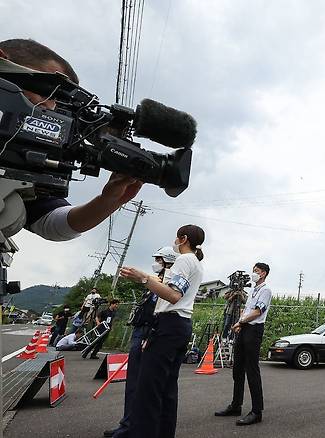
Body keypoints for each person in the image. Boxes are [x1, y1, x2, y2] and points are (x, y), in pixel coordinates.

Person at [0, 38, 142, 242]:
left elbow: (52, 223)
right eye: (47, 91)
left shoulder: (20, 154)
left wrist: (108, 201)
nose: (50, 107)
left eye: (58, 101)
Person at [118, 224, 205, 438]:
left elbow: (173, 295)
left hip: (169, 324)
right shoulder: (195, 262)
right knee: (166, 389)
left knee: (148, 391)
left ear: (183, 238)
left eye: (176, 237)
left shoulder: (184, 260)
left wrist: (144, 279)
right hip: (178, 326)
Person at [104, 246, 178, 438]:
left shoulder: (167, 282)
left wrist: (149, 335)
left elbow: (161, 309)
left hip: (149, 333)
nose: (156, 263)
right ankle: (128, 423)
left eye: (159, 259)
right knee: (134, 384)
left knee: (141, 385)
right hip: (142, 331)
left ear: (167, 261)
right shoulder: (156, 281)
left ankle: (131, 427)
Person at [215, 263, 272, 426]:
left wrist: (240, 321)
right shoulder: (253, 290)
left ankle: (256, 411)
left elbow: (257, 312)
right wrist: (240, 323)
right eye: (253, 270)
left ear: (264, 274)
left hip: (254, 330)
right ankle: (236, 405)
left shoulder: (265, 290)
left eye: (256, 271)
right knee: (237, 368)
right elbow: (247, 311)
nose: (253, 273)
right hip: (245, 328)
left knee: (252, 370)